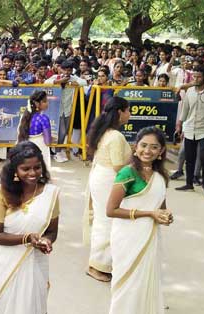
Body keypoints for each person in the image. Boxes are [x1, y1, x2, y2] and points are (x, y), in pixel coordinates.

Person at [0, 141, 59, 314]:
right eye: (26, 169)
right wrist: (27, 239)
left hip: (35, 260)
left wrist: (46, 240)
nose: (33, 173)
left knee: (32, 304)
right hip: (3, 262)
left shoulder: (50, 194)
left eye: (37, 167)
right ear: (15, 170)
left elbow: (52, 230)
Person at [106, 126, 173, 314]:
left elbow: (160, 206)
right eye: (143, 145)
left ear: (161, 152)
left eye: (154, 147)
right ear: (135, 147)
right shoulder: (127, 173)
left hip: (150, 236)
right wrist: (148, 214)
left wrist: (165, 216)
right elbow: (111, 210)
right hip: (128, 238)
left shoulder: (160, 176)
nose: (147, 151)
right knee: (127, 284)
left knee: (146, 281)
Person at [83, 96, 132, 282]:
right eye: (128, 111)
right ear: (120, 112)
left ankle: (99, 262)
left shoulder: (104, 131)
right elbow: (119, 167)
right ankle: (98, 265)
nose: (130, 115)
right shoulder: (116, 136)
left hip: (100, 177)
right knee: (107, 222)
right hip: (108, 180)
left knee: (102, 220)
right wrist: (135, 156)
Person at [175, 66, 204, 197]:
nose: (195, 79)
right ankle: (189, 183)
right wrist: (180, 124)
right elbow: (185, 110)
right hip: (189, 129)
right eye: (194, 76)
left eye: (198, 77)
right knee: (189, 158)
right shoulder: (189, 91)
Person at [17, 90, 52, 169]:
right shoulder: (43, 118)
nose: (47, 103)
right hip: (40, 148)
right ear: (36, 103)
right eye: (44, 101)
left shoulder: (24, 117)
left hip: (25, 148)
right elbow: (48, 142)